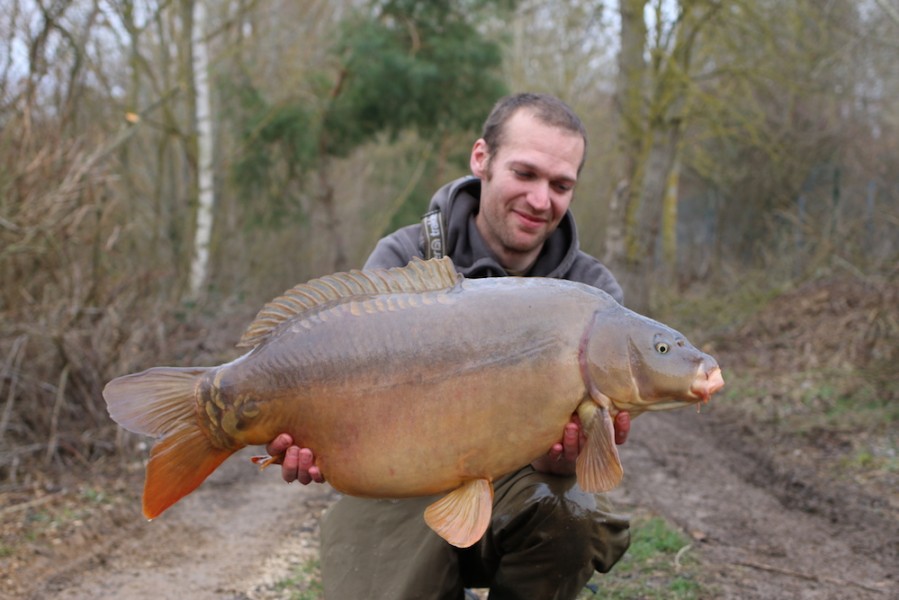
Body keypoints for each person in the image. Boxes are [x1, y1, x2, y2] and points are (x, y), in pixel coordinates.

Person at [267, 92, 632, 600]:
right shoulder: (404, 256)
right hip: (402, 487)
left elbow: (577, 464)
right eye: (525, 174)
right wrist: (317, 439)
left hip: (516, 489)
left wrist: (566, 459)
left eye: (560, 184)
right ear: (481, 158)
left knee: (570, 516)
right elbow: (353, 391)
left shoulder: (594, 297)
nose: (541, 200)